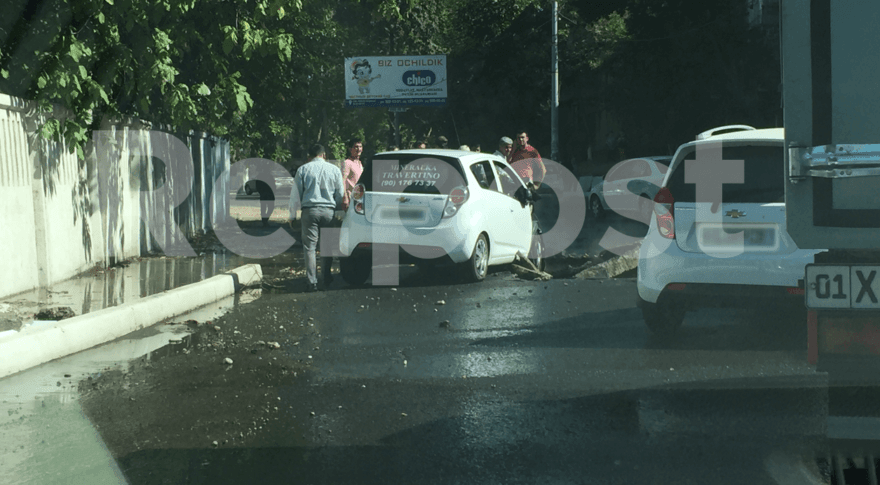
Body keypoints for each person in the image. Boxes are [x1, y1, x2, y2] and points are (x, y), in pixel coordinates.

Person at [289, 144, 344, 292]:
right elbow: (340, 193)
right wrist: (338, 209)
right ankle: (326, 277)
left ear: (309, 157)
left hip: (310, 211)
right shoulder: (334, 170)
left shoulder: (303, 170)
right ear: (324, 155)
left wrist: (292, 215)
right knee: (326, 246)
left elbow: (296, 195)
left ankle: (312, 281)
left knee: (310, 247)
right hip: (329, 211)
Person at [341, 138, 364, 211]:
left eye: (360, 147)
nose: (359, 149)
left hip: (360, 199)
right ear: (350, 149)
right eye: (356, 147)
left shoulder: (360, 163)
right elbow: (342, 181)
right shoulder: (347, 163)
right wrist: (345, 198)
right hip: (351, 200)